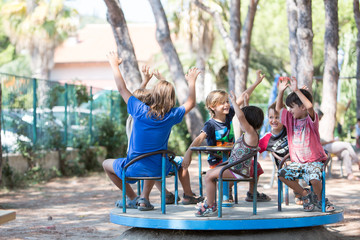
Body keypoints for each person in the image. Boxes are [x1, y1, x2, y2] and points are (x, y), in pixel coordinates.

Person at [102, 50, 200, 211]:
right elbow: (191, 102)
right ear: (172, 99)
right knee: (165, 161)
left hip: (133, 167)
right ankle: (150, 198)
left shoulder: (139, 110)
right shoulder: (172, 115)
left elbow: (121, 88)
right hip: (159, 169)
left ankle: (133, 198)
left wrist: (114, 65)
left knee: (106, 164)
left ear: (153, 95)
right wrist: (192, 81)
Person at [183, 70, 271, 203]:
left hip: (232, 159)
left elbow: (243, 97)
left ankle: (252, 193)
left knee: (255, 165)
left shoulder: (229, 114)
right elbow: (199, 139)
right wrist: (188, 153)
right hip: (218, 160)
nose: (226, 105)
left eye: (227, 102)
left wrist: (256, 83)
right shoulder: (210, 125)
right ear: (212, 107)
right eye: (222, 103)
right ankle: (225, 193)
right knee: (224, 173)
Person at [125, 65, 203, 205]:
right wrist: (191, 82)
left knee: (153, 161)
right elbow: (189, 103)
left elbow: (136, 96)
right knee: (175, 163)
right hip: (155, 162)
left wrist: (151, 81)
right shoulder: (169, 116)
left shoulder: (136, 113)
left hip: (135, 161)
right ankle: (187, 194)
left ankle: (161, 195)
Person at [195, 92, 264, 217]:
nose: (240, 122)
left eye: (243, 121)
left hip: (238, 170)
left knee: (209, 177)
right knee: (210, 174)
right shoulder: (249, 134)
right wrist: (246, 103)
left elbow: (242, 117)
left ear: (248, 122)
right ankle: (210, 203)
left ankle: (210, 205)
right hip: (235, 167)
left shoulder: (251, 134)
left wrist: (234, 102)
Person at [275, 76, 335, 212]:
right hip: (297, 163)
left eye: (292, 107)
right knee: (282, 174)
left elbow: (309, 106)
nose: (289, 110)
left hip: (314, 161)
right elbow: (279, 109)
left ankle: (320, 199)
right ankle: (305, 194)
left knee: (314, 179)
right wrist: (281, 92)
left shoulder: (311, 121)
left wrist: (296, 90)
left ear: (302, 107)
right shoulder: (290, 119)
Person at [316, 109, 360, 181]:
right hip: (323, 147)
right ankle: (357, 161)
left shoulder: (317, 125)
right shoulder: (311, 124)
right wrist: (331, 141)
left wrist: (330, 141)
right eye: (320, 118)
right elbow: (318, 143)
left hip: (327, 145)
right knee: (347, 144)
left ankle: (350, 174)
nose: (320, 120)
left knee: (346, 152)